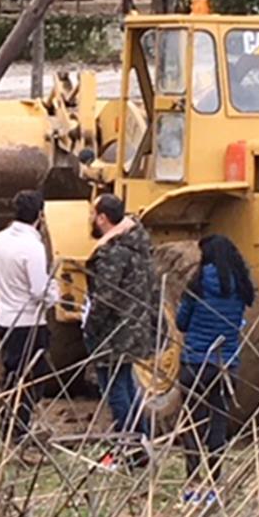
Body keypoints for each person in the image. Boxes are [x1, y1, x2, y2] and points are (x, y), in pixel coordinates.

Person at [0, 190, 59, 444]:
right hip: (29, 322)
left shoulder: (2, 238)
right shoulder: (32, 247)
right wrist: (54, 290)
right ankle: (18, 428)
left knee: (13, 373)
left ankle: (8, 422)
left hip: (5, 318)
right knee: (32, 377)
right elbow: (38, 290)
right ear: (40, 216)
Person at [175, 235, 254, 505]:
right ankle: (213, 483)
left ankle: (193, 482)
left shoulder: (198, 283)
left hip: (195, 363)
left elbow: (181, 322)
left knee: (193, 425)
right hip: (225, 366)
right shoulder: (241, 286)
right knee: (218, 425)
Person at [84, 194, 159, 466]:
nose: (92, 219)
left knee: (116, 390)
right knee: (129, 386)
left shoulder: (112, 252)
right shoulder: (139, 246)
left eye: (94, 215)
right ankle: (144, 444)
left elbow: (105, 298)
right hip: (136, 329)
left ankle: (129, 449)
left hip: (114, 333)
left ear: (103, 218)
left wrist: (90, 328)